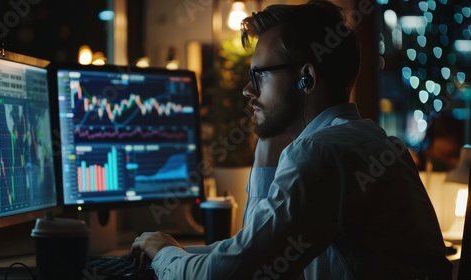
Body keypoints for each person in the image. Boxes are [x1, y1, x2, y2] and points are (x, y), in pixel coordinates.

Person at [129, 1, 453, 279]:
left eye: (260, 75)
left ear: (306, 79)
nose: (248, 90)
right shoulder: (382, 144)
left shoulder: (319, 154)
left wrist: (163, 254)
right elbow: (252, 249)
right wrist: (269, 139)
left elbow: (234, 274)